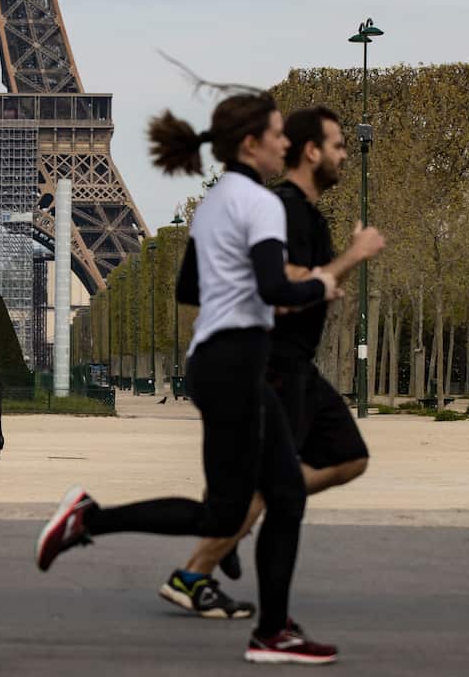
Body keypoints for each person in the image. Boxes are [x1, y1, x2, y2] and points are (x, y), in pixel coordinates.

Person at [35, 91, 344, 666]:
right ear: (251, 143)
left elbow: (188, 291)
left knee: (281, 494)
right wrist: (325, 282)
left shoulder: (219, 200)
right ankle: (89, 518)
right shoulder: (262, 203)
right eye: (278, 134)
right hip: (235, 364)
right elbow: (277, 289)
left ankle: (273, 632)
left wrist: (240, 284)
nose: (285, 143)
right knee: (228, 513)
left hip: (219, 361)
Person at [158, 105, 386, 619]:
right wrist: (345, 261)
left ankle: (236, 507)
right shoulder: (277, 205)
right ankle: (196, 571)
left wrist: (324, 279)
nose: (346, 155)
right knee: (271, 485)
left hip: (299, 363)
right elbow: (270, 274)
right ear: (312, 150)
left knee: (350, 457)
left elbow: (294, 279)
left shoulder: (304, 211)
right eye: (339, 145)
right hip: (273, 362)